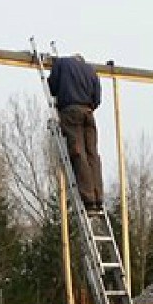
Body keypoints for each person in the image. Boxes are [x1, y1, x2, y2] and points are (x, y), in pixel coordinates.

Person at [47, 54, 104, 211]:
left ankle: (88, 198)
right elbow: (97, 98)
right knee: (92, 153)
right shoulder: (91, 70)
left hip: (71, 111)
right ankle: (99, 197)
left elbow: (52, 86)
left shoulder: (61, 63)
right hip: (88, 113)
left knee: (78, 152)